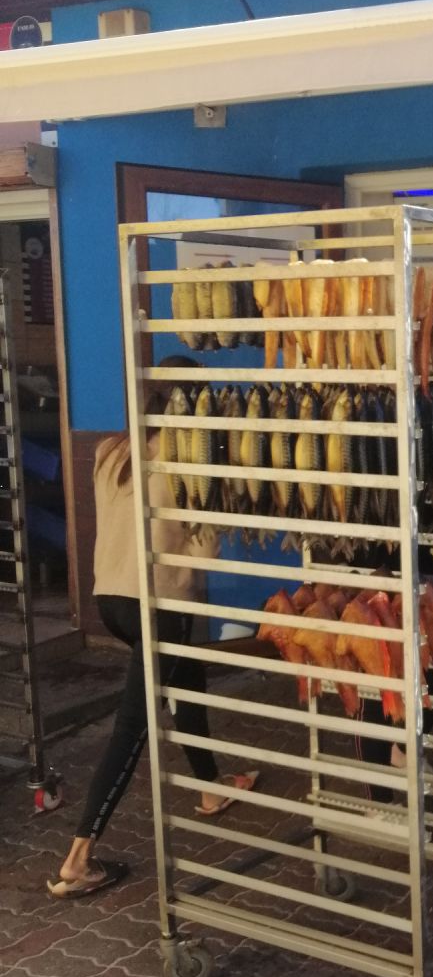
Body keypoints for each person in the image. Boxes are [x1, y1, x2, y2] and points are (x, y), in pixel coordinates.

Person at [48, 362, 257, 898]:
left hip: (111, 597)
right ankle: (79, 857)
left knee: (186, 677)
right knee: (132, 728)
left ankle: (209, 788)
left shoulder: (111, 450)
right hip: (160, 602)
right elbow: (205, 551)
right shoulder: (190, 461)